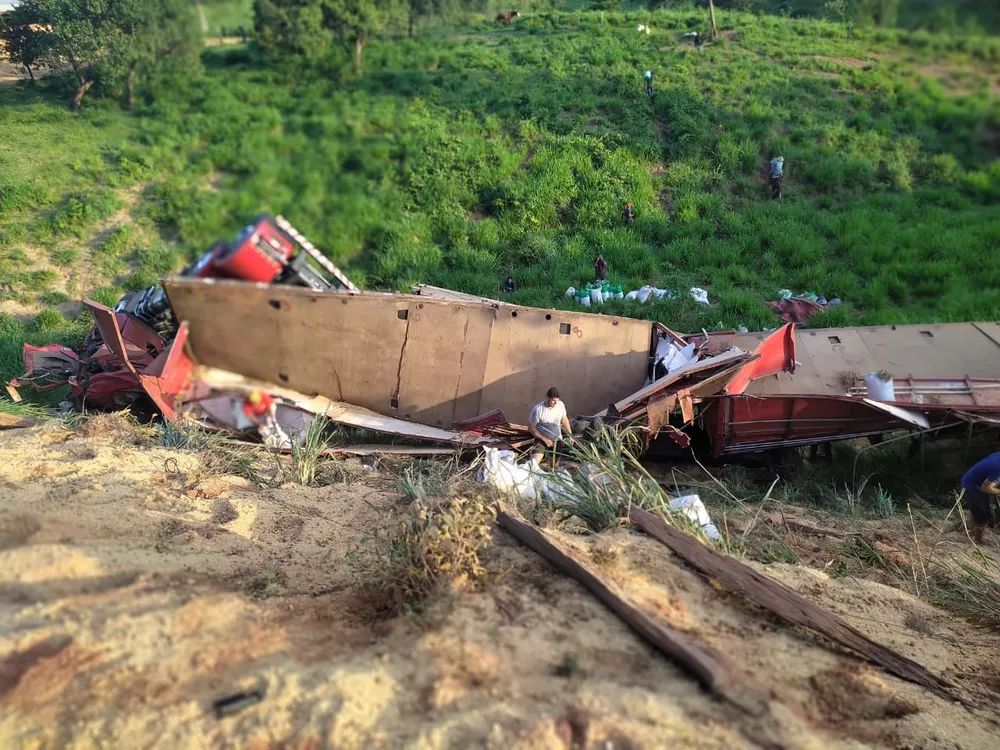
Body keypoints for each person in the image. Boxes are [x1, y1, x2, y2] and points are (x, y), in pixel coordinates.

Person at [959, 451, 1000, 544]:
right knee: (983, 515)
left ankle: (972, 533)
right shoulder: (998, 469)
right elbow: (986, 487)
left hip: (970, 478)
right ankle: (978, 541)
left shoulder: (998, 455)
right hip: (974, 486)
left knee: (975, 510)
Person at [529, 387, 574, 466]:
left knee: (554, 466)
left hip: (557, 440)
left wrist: (570, 435)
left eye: (557, 400)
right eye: (553, 400)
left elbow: (564, 420)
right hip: (541, 440)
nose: (555, 403)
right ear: (547, 398)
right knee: (534, 464)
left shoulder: (561, 405)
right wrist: (545, 439)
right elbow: (531, 428)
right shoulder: (538, 409)